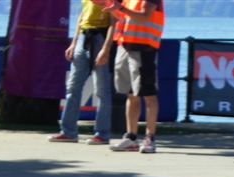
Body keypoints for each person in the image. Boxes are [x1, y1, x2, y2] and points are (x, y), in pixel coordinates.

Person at [47, 0, 115, 145]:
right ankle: (68, 132)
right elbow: (82, 14)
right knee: (73, 87)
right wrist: (74, 42)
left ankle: (102, 134)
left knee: (102, 89)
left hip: (101, 36)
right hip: (83, 36)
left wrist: (106, 48)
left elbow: (115, 20)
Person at [103, 0, 164, 154]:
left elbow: (145, 16)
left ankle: (150, 138)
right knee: (130, 95)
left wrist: (121, 8)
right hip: (124, 45)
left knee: (149, 95)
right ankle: (131, 137)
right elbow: (121, 16)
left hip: (144, 48)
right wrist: (110, 7)